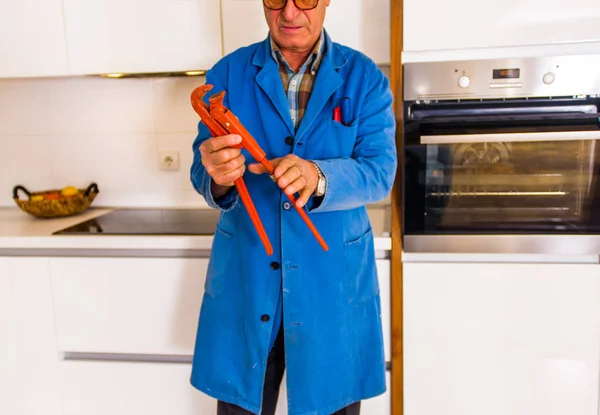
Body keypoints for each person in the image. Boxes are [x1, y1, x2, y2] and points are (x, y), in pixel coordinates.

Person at [189, 0, 397, 414]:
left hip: (330, 280)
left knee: (330, 402)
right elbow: (201, 167)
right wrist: (215, 172)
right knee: (240, 406)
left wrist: (319, 176)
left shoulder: (365, 78)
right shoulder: (227, 73)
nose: (288, 12)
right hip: (249, 277)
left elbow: (380, 171)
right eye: (275, 0)